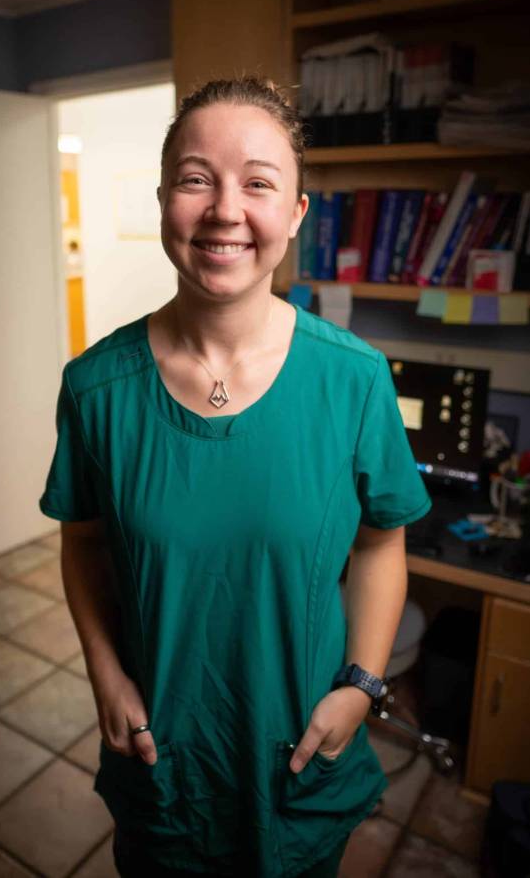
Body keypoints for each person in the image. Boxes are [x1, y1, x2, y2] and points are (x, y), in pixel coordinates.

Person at [39, 77, 432, 878]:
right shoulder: (96, 389)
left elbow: (381, 541)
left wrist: (362, 683)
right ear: (163, 200)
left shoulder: (354, 380)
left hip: (298, 749)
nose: (224, 209)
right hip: (166, 760)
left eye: (258, 182)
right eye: (195, 178)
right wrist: (105, 673)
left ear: (293, 213)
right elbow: (80, 544)